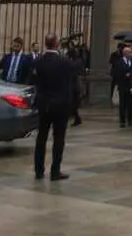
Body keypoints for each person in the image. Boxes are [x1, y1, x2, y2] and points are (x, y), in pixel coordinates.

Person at [32, 34, 75, 181]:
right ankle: (55, 171)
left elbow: (34, 81)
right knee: (58, 138)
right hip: (61, 105)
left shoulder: (38, 62)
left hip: (44, 104)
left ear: (45, 44)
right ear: (57, 45)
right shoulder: (65, 62)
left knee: (41, 137)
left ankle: (38, 171)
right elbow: (72, 81)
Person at [113, 46, 132, 127]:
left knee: (130, 104)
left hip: (131, 87)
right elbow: (116, 73)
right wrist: (125, 75)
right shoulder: (119, 62)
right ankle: (122, 120)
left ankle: (130, 119)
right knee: (123, 104)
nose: (130, 54)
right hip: (123, 86)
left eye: (130, 52)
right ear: (124, 53)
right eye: (129, 52)